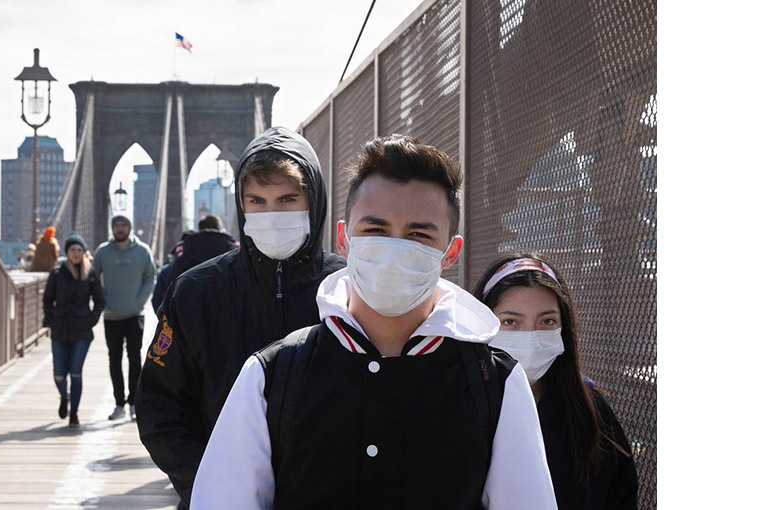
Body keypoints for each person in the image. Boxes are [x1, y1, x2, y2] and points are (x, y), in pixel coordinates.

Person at [190, 135, 556, 509]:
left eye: (418, 234)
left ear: (451, 251)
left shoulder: (495, 383)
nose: (395, 248)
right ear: (344, 239)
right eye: (376, 230)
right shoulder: (270, 376)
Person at [135, 126, 347, 509]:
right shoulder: (195, 293)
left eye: (287, 199)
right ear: (241, 205)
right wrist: (214, 485)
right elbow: (158, 407)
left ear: (313, 202)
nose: (272, 214)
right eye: (257, 201)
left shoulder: (348, 290)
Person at [472, 253, 639, 509]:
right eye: (510, 322)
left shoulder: (591, 412)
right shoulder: (458, 407)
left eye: (547, 321)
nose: (531, 337)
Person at [92, 215, 156, 421]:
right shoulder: (102, 251)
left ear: (129, 227)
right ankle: (118, 403)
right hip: (111, 315)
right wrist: (103, 300)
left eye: (123, 225)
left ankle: (134, 403)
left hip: (134, 314)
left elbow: (150, 278)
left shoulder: (143, 251)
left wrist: (140, 301)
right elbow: (93, 279)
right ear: (112, 228)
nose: (120, 229)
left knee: (135, 359)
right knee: (114, 360)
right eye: (116, 226)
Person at [42, 233, 105, 428]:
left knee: (76, 373)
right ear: (67, 252)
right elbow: (47, 299)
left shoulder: (90, 274)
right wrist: (51, 318)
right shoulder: (56, 273)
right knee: (59, 374)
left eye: (79, 250)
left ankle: (74, 414)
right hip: (60, 330)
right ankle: (64, 396)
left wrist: (92, 320)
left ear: (83, 252)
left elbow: (100, 301)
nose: (76, 254)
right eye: (72, 250)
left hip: (82, 331)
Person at [151, 215, 236, 312]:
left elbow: (160, 301)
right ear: (221, 230)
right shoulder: (236, 257)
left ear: (199, 230)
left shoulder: (180, 261)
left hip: (187, 323)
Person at [151, 230, 197, 313]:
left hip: (172, 313)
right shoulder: (201, 262)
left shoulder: (167, 268)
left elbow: (156, 299)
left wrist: (163, 318)